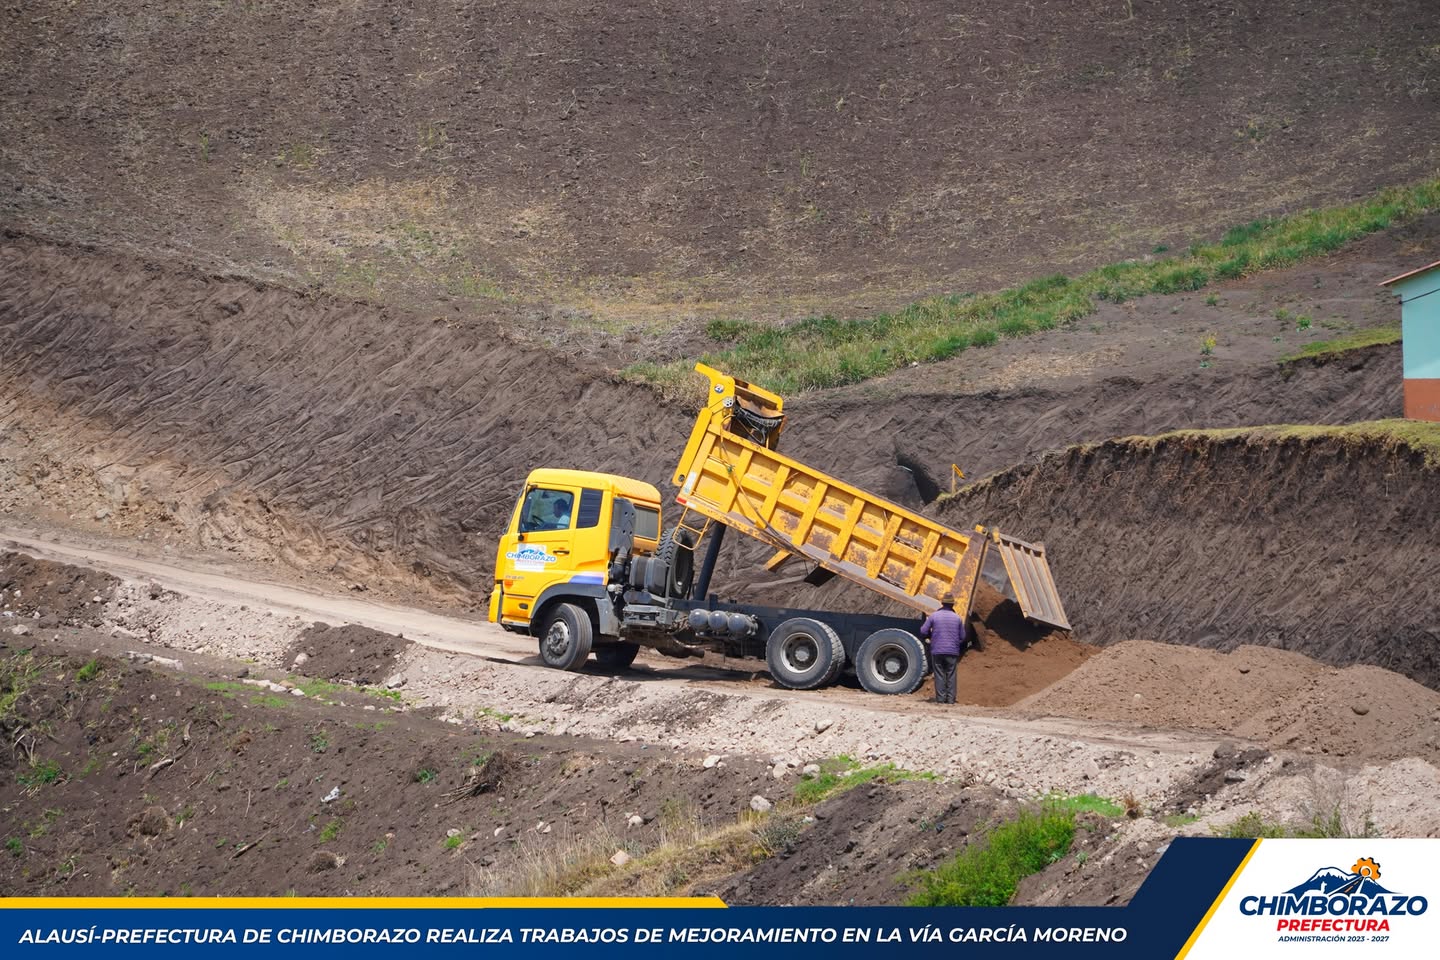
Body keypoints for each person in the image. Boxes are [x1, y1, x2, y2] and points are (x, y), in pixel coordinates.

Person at [919, 592, 967, 704]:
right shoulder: (957, 618)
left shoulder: (934, 616)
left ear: (942, 603)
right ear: (952, 605)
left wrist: (929, 637)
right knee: (951, 674)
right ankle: (951, 700)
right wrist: (955, 643)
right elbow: (963, 636)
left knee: (939, 674)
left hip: (937, 650)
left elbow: (923, 631)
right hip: (952, 652)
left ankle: (940, 699)